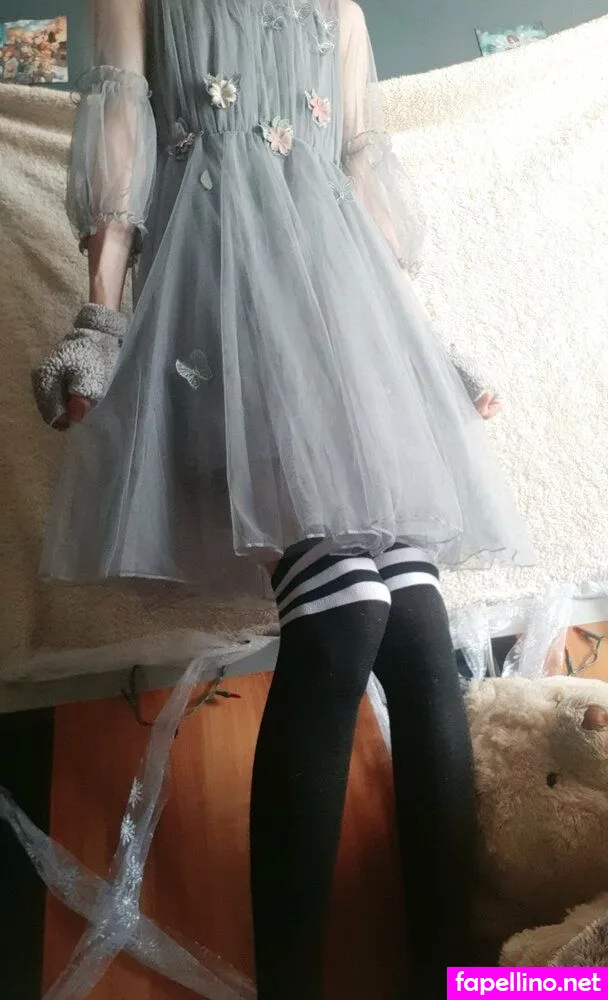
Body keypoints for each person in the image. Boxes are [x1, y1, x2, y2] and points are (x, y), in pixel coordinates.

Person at [31, 1, 534, 996]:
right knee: (346, 617)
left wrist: (422, 344)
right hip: (223, 309)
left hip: (350, 323)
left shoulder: (338, 11)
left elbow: (360, 181)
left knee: (417, 631)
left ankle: (460, 978)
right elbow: (123, 129)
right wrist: (100, 318)